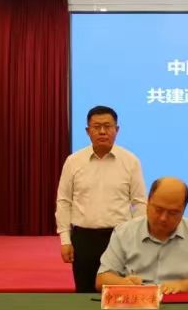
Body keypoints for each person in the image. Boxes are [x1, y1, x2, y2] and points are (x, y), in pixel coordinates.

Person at [55, 105, 147, 293]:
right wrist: (65, 240)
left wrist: (138, 238)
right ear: (88, 131)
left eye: (108, 126)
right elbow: (64, 201)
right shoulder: (73, 161)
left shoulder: (130, 161)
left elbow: (139, 202)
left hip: (119, 238)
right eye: (97, 127)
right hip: (84, 238)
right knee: (85, 293)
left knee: (119, 294)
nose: (102, 131)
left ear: (117, 129)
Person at [96, 177, 188, 294]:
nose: (163, 218)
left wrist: (184, 285)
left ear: (183, 210)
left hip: (181, 304)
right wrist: (125, 283)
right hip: (137, 304)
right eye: (158, 209)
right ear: (148, 202)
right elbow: (102, 279)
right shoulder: (124, 232)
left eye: (172, 213)